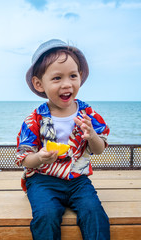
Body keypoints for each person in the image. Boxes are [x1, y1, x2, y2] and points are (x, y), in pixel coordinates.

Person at [16, 39, 110, 240]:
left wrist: (92, 135)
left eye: (72, 76)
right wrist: (40, 157)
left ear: (80, 77)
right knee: (46, 215)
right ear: (39, 84)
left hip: (78, 181)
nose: (67, 84)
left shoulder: (88, 115)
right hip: (43, 181)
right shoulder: (35, 119)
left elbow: (99, 148)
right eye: (57, 78)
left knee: (95, 213)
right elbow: (24, 158)